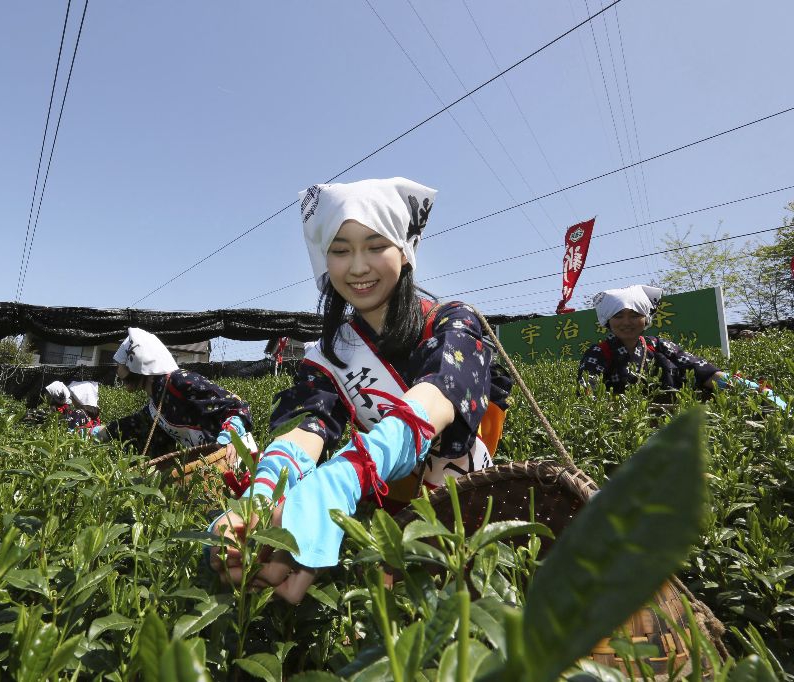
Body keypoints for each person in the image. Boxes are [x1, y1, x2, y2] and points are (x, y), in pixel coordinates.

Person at [208, 177, 512, 603]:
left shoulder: (451, 322)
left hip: (465, 501)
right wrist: (260, 500)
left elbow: (438, 395)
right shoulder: (329, 355)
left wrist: (341, 479)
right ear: (323, 262)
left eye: (375, 245)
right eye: (340, 249)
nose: (357, 266)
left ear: (404, 253)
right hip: (391, 505)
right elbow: (305, 429)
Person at [577, 285, 787, 409]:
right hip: (623, 426)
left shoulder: (658, 345)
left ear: (646, 318)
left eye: (635, 315)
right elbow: (589, 393)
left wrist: (750, 389)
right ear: (607, 320)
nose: (627, 322)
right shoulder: (598, 353)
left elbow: (700, 369)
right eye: (618, 316)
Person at [92, 327, 258, 457]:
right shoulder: (156, 403)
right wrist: (98, 433)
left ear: (134, 361)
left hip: (233, 458)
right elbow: (133, 424)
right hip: (210, 468)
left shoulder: (178, 381)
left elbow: (235, 405)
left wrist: (232, 434)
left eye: (119, 364)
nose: (117, 370)